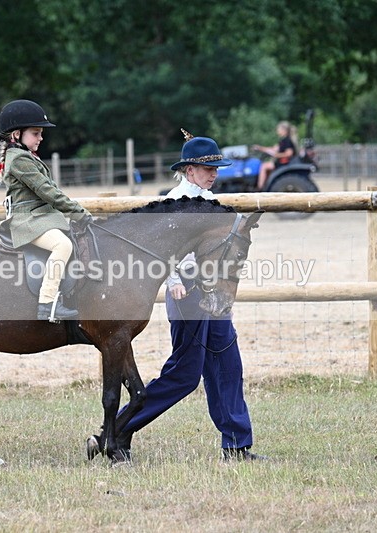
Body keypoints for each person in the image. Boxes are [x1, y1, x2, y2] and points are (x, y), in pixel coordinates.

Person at [96, 130, 265, 462]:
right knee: (184, 375)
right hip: (187, 294)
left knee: (228, 366)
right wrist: (173, 278)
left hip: (211, 295)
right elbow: (163, 246)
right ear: (190, 171)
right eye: (208, 169)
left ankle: (237, 444)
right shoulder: (177, 202)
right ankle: (115, 431)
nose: (214, 174)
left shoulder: (210, 202)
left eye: (216, 168)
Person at [0, 99, 92, 322]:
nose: (41, 138)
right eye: (36, 133)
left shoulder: (25, 156)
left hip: (41, 218)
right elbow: (47, 191)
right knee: (62, 244)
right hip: (28, 221)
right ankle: (47, 304)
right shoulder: (19, 160)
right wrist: (77, 211)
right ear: (17, 135)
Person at [253, 121, 297, 191]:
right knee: (266, 165)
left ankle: (259, 188)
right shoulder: (283, 141)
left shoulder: (287, 140)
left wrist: (277, 155)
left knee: (264, 166)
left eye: (278, 129)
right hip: (280, 163)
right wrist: (260, 148)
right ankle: (264, 185)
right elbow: (273, 149)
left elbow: (289, 153)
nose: (277, 131)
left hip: (283, 163)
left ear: (284, 130)